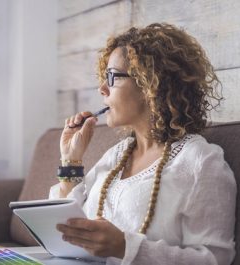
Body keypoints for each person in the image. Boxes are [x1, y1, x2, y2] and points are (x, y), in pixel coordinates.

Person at [50, 23, 236, 265]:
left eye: (112, 77)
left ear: (151, 85)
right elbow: (68, 230)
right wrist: (70, 160)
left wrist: (125, 247)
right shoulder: (116, 156)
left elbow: (216, 259)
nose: (102, 88)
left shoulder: (200, 162)